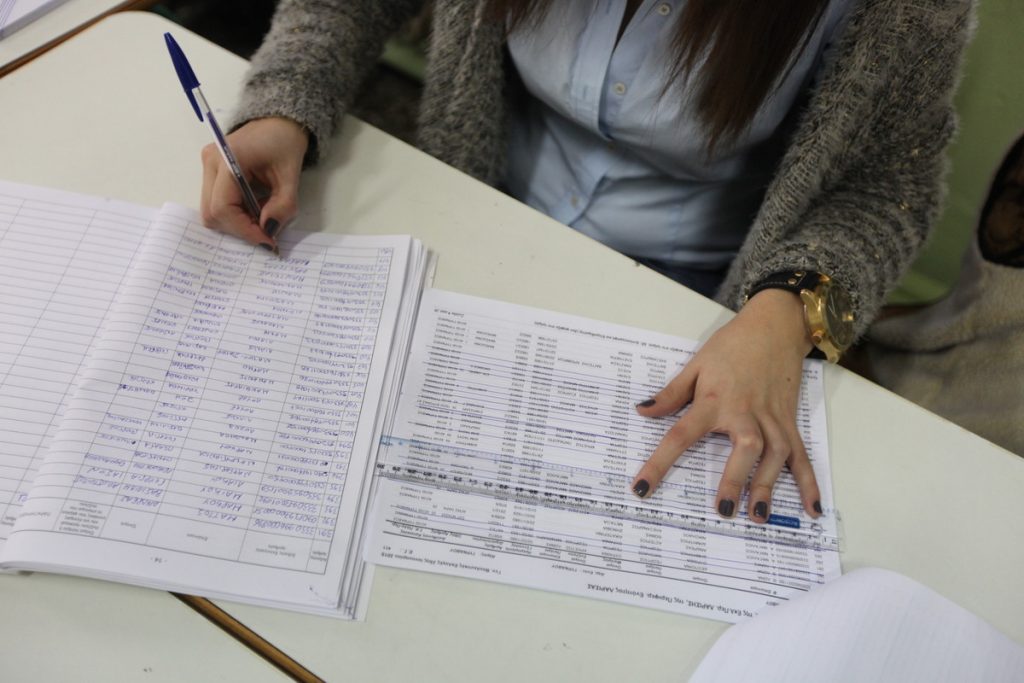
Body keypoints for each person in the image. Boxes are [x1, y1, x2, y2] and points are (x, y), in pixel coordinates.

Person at [199, 0, 975, 523]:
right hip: (470, 210)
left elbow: (888, 183)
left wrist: (789, 309)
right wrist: (284, 104)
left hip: (707, 304)